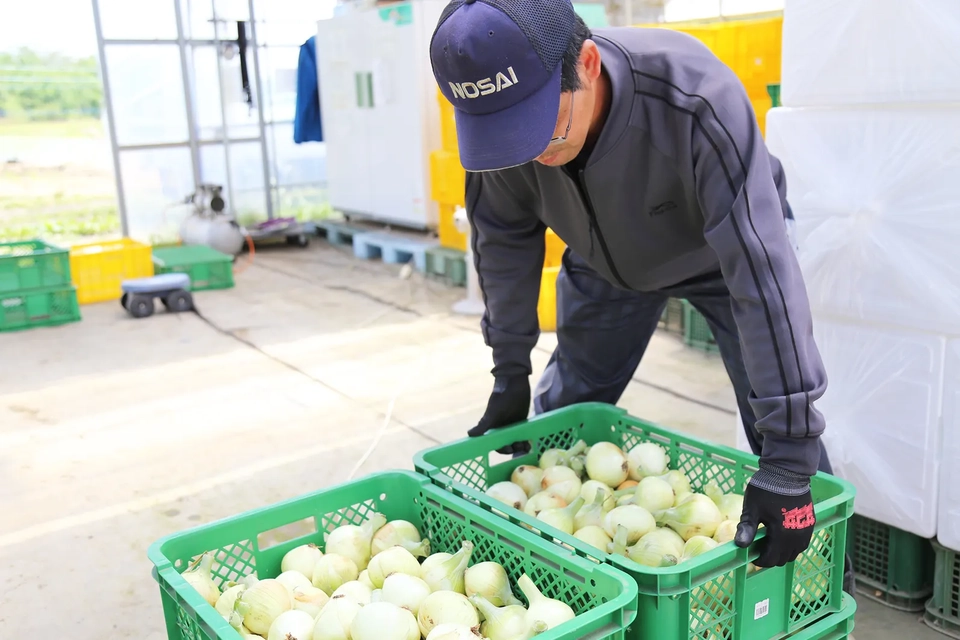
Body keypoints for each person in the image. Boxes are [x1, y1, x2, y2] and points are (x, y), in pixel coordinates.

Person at [428, 0, 858, 586]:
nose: (530, 154)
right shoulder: (505, 131)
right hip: (606, 264)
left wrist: (787, 458)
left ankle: (820, 589)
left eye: (539, 128)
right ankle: (562, 588)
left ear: (586, 64)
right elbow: (503, 241)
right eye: (505, 137)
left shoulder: (694, 100)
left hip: (721, 254)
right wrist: (510, 368)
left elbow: (762, 272)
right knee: (559, 437)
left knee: (783, 449)